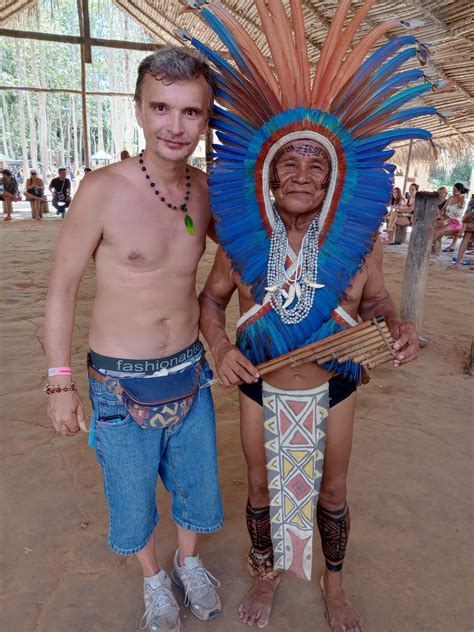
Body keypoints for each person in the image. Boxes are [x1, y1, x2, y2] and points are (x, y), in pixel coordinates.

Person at [185, 1, 437, 630]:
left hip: (337, 386)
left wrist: (394, 323)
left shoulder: (360, 243)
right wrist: (220, 349)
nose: (301, 173)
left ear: (333, 179)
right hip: (259, 384)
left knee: (332, 493)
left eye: (315, 163)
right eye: (288, 163)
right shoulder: (242, 246)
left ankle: (336, 585)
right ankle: (266, 578)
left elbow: (375, 301)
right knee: (262, 491)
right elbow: (211, 301)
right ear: (267, 176)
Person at [44, 46, 223, 632]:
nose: (176, 125)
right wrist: (59, 383)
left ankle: (188, 562)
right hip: (120, 383)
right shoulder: (102, 190)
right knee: (132, 495)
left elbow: (249, 256)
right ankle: (153, 578)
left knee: (197, 485)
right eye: (162, 108)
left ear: (207, 117)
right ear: (139, 111)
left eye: (191, 112)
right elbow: (62, 289)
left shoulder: (205, 191)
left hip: (192, 372)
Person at [433, 182, 468, 252]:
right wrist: (441, 215)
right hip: (447, 220)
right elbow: (443, 209)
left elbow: (461, 206)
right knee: (434, 228)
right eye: (453, 190)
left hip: (456, 223)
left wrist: (462, 196)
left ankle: (429, 246)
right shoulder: (450, 198)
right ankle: (433, 247)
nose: (453, 191)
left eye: (455, 190)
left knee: (439, 231)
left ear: (460, 191)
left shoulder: (463, 201)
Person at [449, 194, 474, 269]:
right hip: (471, 223)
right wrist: (463, 229)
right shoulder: (472, 202)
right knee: (467, 235)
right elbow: (465, 219)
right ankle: (457, 263)